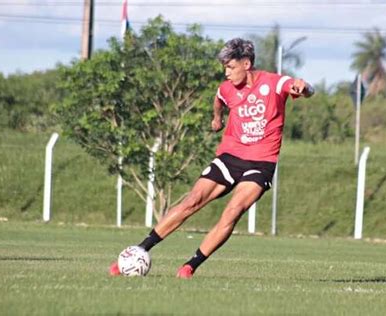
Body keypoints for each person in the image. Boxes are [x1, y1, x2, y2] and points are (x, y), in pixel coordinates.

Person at [109, 38, 314, 279]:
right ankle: (139, 250)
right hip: (230, 156)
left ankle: (190, 266)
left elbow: (302, 88)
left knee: (233, 210)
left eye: (230, 67)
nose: (226, 73)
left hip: (261, 162)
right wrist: (217, 118)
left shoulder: (274, 82)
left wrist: (304, 86)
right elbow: (219, 99)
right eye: (224, 67)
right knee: (192, 201)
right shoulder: (226, 88)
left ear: (246, 63)